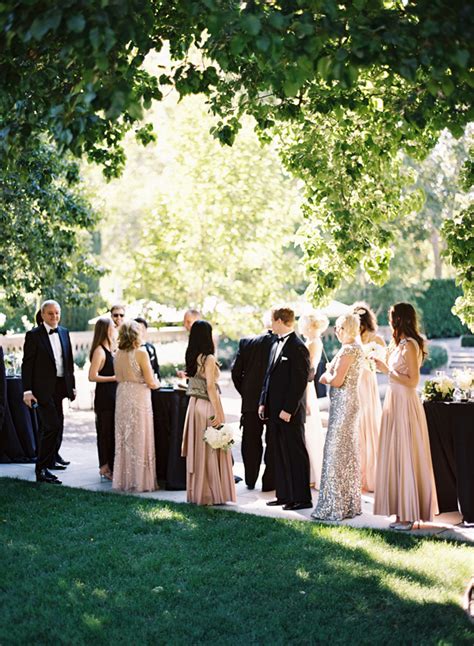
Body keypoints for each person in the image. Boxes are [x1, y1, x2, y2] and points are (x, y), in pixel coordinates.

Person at [373, 302, 438, 531]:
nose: (390, 321)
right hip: (394, 400)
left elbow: (413, 381)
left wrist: (386, 370)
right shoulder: (399, 344)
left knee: (407, 454)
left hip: (405, 402)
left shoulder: (410, 345)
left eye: (392, 317)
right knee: (396, 454)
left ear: (400, 319)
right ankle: (401, 511)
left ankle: (410, 514)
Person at [311, 313, 364, 521]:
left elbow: (337, 380)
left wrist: (325, 377)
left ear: (345, 329)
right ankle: (348, 504)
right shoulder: (355, 348)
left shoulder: (349, 349)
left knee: (335, 452)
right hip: (346, 405)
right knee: (346, 453)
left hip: (344, 405)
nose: (336, 332)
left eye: (338, 328)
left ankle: (334, 506)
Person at [258, 306, 311, 511]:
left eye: (272, 321)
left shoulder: (298, 347)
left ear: (280, 321)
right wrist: (263, 401)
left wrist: (289, 409)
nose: (270, 325)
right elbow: (268, 376)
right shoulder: (274, 343)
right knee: (278, 453)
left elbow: (299, 382)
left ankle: (302, 498)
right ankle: (284, 495)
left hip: (290, 413)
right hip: (273, 410)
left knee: (295, 453)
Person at [181, 320, 236, 505]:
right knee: (211, 448)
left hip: (193, 404)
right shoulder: (209, 359)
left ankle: (198, 492)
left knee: (199, 449)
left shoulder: (192, 356)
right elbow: (211, 387)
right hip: (206, 404)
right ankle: (210, 494)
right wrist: (219, 413)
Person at [22, 299, 76, 484]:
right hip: (42, 389)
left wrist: (72, 386)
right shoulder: (33, 335)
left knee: (57, 425)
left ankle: (50, 460)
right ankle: (41, 469)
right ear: (43, 315)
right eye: (50, 313)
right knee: (51, 426)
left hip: (61, 386)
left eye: (57, 313)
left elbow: (68, 362)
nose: (54, 316)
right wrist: (27, 391)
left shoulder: (64, 332)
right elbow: (27, 365)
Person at [112, 320, 159, 493]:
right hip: (139, 395)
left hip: (122, 394)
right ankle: (140, 481)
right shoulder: (141, 353)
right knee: (140, 435)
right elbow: (150, 382)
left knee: (125, 437)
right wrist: (156, 382)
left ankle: (125, 479)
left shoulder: (117, 354)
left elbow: (118, 377)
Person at [231, 325, 275, 491]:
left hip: (250, 401)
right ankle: (269, 482)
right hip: (273, 401)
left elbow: (236, 373)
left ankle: (250, 479)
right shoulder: (280, 342)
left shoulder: (246, 342)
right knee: (272, 441)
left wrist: (246, 392)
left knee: (250, 441)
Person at [352, 302, 385, 492]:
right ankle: (357, 474)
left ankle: (371, 475)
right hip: (355, 383)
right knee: (357, 424)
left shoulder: (376, 339)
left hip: (367, 382)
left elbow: (383, 363)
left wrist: (370, 362)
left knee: (369, 423)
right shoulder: (352, 338)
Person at [299, 311, 329, 490]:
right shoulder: (313, 342)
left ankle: (315, 474)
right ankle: (309, 474)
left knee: (310, 432)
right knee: (307, 432)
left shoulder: (313, 343)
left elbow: (309, 371)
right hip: (306, 387)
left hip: (306, 388)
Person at [88, 317, 117, 481]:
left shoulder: (111, 348)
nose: (115, 328)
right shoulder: (99, 351)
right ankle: (104, 467)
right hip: (104, 397)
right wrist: (113, 377)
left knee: (111, 432)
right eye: (113, 326)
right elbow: (92, 376)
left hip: (113, 396)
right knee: (104, 433)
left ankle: (111, 466)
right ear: (106, 330)